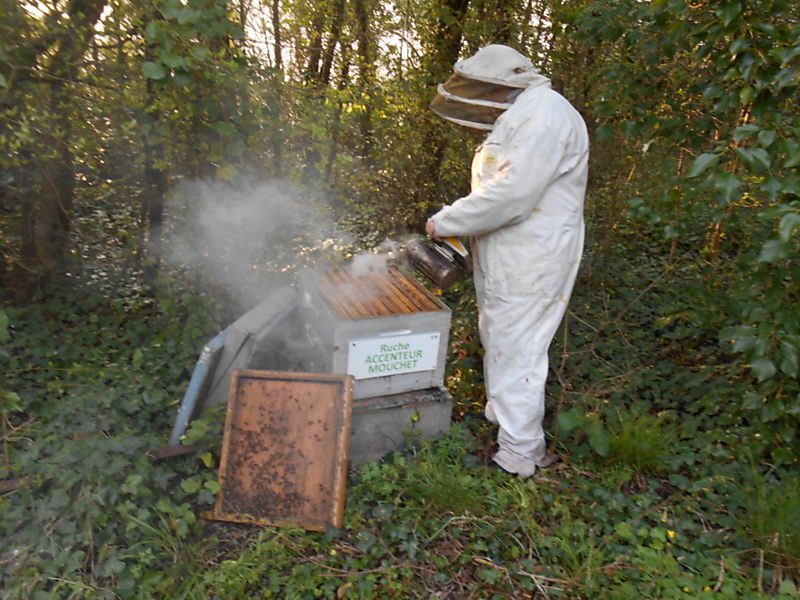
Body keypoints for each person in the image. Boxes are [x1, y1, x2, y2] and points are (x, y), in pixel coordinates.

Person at [425, 44, 589, 478]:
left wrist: (446, 221)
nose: (482, 98)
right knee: (501, 338)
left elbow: (512, 196)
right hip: (509, 254)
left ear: (503, 84)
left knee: (518, 350)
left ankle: (519, 455)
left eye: (484, 89)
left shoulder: (545, 117)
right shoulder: (524, 114)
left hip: (531, 257)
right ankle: (507, 431)